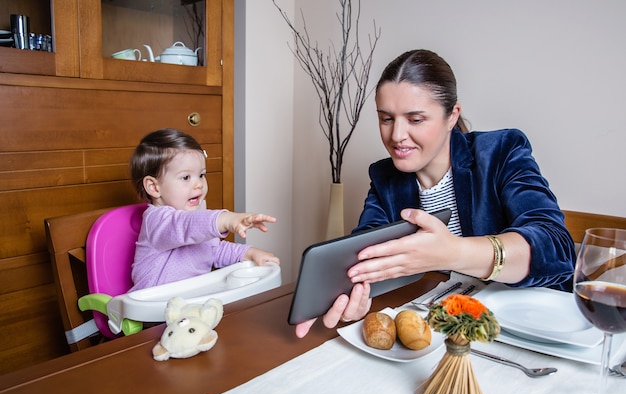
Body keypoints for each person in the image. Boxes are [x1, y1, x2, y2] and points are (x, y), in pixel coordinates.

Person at [295, 49, 575, 338]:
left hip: (532, 329)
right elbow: (367, 250)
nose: (397, 135)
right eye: (386, 119)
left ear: (452, 116)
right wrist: (353, 293)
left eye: (415, 119)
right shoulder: (385, 177)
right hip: (450, 331)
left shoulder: (501, 151)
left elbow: (555, 247)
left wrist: (454, 253)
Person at [129, 128, 279, 291]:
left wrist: (249, 253)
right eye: (186, 177)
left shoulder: (197, 221)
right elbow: (185, 226)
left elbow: (213, 250)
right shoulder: (156, 221)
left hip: (192, 305)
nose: (199, 184)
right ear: (154, 187)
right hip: (151, 310)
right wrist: (226, 219)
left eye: (201, 175)